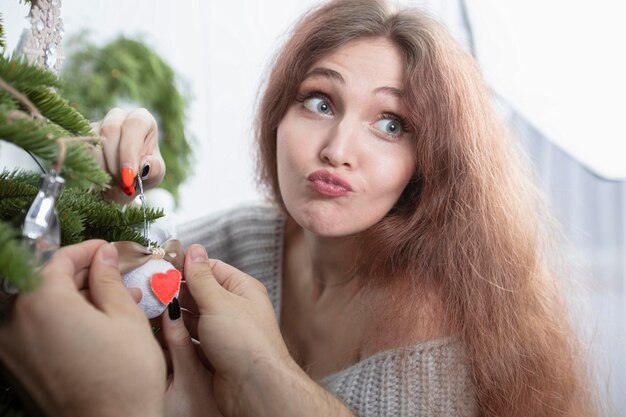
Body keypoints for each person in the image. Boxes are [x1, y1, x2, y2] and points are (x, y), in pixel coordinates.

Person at [0, 0, 600, 416]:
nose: (338, 150)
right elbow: (125, 269)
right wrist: (116, 194)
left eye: (391, 124)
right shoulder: (242, 239)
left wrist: (261, 372)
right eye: (318, 102)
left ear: (435, 159)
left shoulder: (443, 348)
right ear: (277, 114)